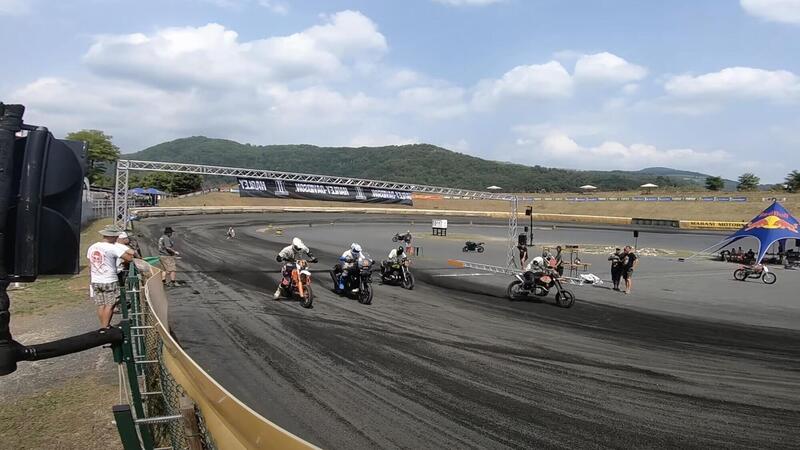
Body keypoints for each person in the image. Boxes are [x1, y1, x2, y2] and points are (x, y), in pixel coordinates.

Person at [87, 226, 134, 328]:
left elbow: (90, 264)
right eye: (116, 237)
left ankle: (103, 326)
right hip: (109, 280)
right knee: (110, 305)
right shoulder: (112, 248)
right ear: (112, 237)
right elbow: (129, 258)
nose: (117, 239)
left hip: (96, 279)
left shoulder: (92, 247)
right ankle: (105, 328)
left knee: (101, 305)